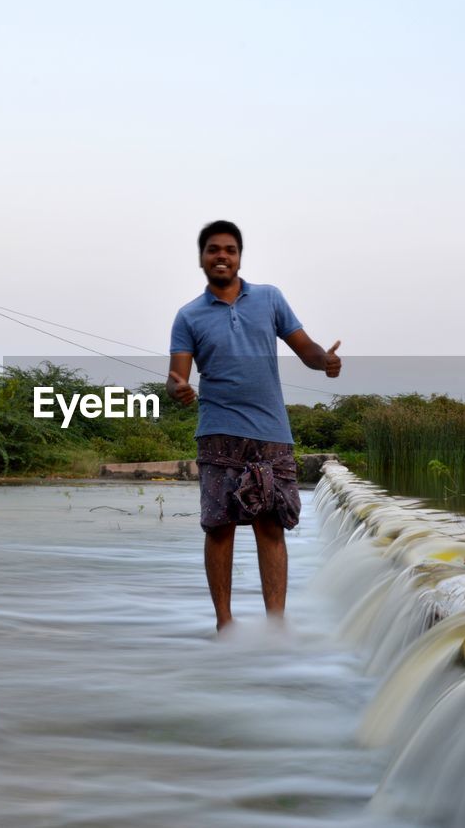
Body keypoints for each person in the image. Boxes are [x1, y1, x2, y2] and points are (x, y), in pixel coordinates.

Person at [167, 220, 341, 632]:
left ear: (240, 256)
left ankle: (275, 627)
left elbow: (306, 349)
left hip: (272, 432)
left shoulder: (269, 299)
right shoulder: (188, 316)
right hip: (217, 433)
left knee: (271, 525)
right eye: (213, 249)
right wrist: (178, 390)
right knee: (219, 527)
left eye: (229, 249)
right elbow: (176, 376)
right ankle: (224, 625)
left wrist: (325, 362)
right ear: (202, 258)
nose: (221, 255)